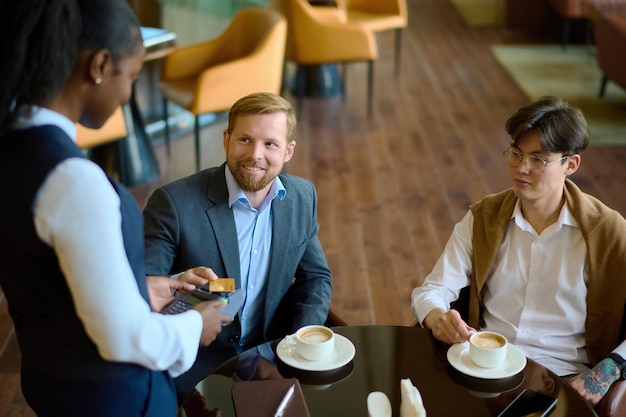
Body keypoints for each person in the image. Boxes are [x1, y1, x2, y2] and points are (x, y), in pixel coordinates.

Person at [0, 1, 231, 416]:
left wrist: (142, 289)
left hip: (48, 380)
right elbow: (122, 336)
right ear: (100, 65)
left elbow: (53, 282)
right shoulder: (74, 182)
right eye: (133, 76)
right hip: (113, 399)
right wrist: (196, 326)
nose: (128, 94)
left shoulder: (11, 151)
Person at [411, 96, 626, 407]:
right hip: (485, 370)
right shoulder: (484, 217)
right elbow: (431, 290)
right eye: (516, 153)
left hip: (561, 381)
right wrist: (436, 315)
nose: (521, 168)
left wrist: (609, 368)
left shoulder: (609, 233)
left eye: (538, 160)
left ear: (571, 164)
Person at [142, 92, 333, 411]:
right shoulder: (173, 204)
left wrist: (296, 343)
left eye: (270, 144)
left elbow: (316, 277)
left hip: (276, 353)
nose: (255, 155)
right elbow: (140, 290)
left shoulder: (302, 197)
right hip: (198, 366)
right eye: (245, 139)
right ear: (226, 139)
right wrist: (178, 284)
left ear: (288, 151)